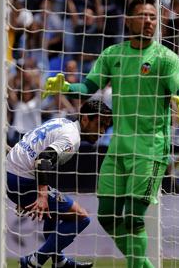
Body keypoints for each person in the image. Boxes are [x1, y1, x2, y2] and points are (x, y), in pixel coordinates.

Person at [41, 0, 179, 267]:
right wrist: (66, 88)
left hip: (150, 150)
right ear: (128, 19)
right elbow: (89, 87)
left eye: (152, 16)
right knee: (108, 217)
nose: (148, 21)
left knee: (133, 217)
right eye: (143, 15)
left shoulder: (166, 58)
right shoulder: (113, 54)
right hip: (118, 148)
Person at [8, 100, 112, 268]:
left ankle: (59, 261)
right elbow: (42, 160)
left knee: (55, 214)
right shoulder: (72, 138)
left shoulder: (60, 121)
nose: (101, 132)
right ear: (85, 119)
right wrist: (41, 195)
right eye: (99, 124)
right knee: (81, 217)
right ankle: (34, 261)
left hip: (13, 174)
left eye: (105, 128)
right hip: (22, 179)